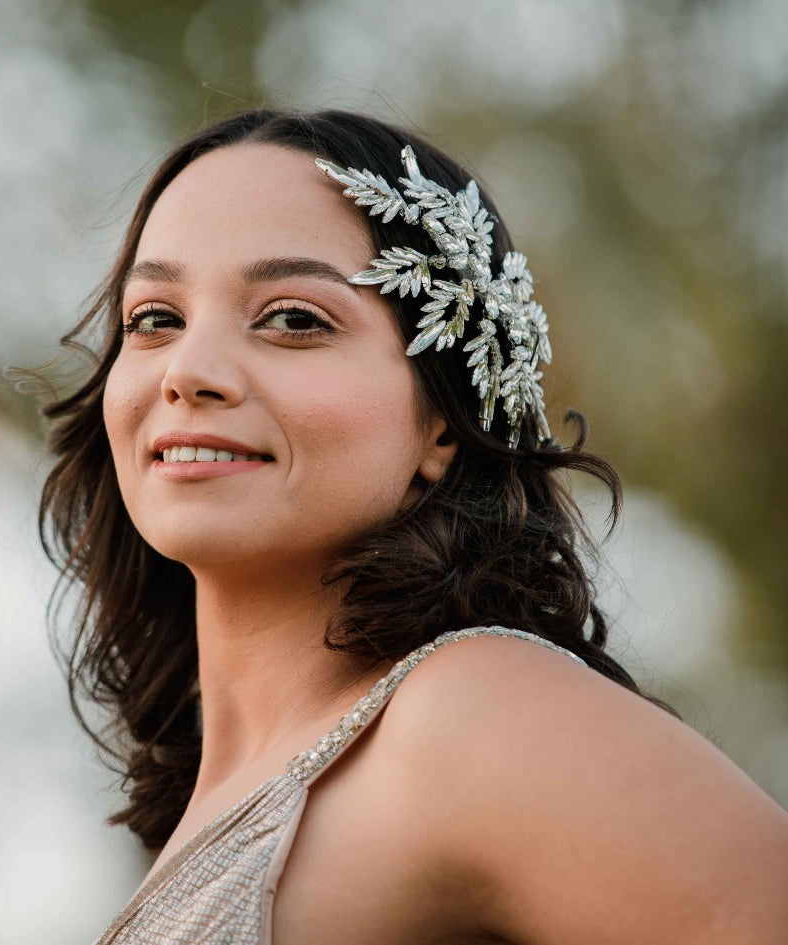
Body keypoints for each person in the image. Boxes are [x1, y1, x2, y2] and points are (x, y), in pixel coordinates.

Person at [39, 109, 788, 944]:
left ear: (440, 418)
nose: (189, 372)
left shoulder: (469, 716)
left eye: (292, 318)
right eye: (153, 319)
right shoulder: (210, 807)